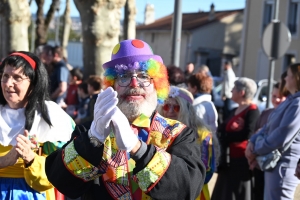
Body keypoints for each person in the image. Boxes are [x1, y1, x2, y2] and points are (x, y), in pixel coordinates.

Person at [45, 39, 206, 200]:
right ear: (112, 86)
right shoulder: (88, 131)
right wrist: (93, 140)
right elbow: (62, 183)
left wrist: (138, 149)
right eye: (124, 76)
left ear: (157, 85)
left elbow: (188, 189)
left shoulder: (179, 134)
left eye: (144, 76)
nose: (134, 83)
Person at [0, 52, 74, 200]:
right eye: (5, 76)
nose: (8, 83)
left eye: (17, 78)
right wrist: (5, 161)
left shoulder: (51, 116)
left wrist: (31, 159)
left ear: (33, 84)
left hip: (31, 194)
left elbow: (59, 174)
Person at [246, 63, 300, 200]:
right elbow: (268, 126)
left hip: (283, 166)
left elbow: (282, 135)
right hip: (275, 165)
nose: (285, 79)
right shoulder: (291, 101)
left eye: (288, 75)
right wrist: (252, 142)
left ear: (296, 78)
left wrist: (256, 149)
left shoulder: (297, 103)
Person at [158, 86, 220, 200]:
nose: (170, 111)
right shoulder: (156, 131)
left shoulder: (202, 135)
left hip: (192, 194)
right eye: (167, 106)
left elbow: (207, 173)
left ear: (187, 110)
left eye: (176, 107)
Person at [211, 77, 260, 200]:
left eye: (233, 89)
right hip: (228, 160)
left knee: (237, 193)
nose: (231, 91)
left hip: (240, 160)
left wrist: (227, 136)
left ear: (241, 92)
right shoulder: (234, 110)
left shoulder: (252, 111)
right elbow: (222, 128)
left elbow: (249, 134)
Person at [252, 76, 290, 200]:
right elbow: (254, 134)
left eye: (280, 96)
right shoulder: (265, 113)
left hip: (274, 165)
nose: (277, 99)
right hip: (258, 165)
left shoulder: (287, 116)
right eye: (274, 96)